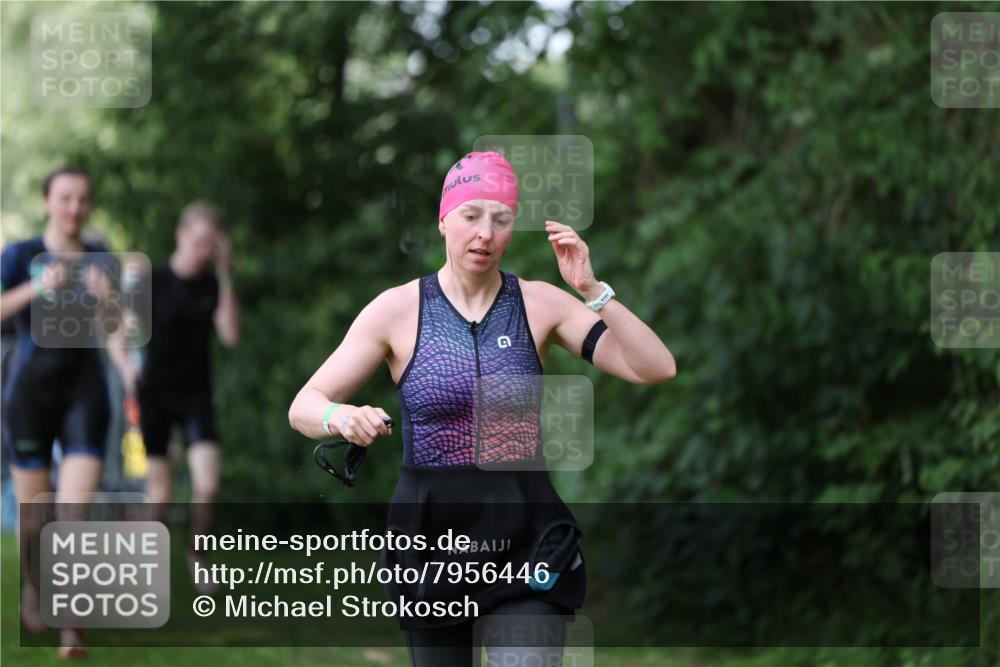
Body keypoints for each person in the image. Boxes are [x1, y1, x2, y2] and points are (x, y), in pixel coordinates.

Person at [289, 151, 676, 665]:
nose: (485, 234)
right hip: (431, 544)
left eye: (501, 219)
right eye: (471, 215)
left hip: (525, 536)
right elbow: (304, 405)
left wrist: (591, 290)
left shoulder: (540, 304)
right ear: (443, 219)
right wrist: (341, 417)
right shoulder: (397, 310)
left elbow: (655, 367)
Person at [1, 166, 124, 659]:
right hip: (28, 395)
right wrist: (37, 287)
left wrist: (107, 298)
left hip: (84, 394)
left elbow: (119, 327)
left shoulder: (102, 260)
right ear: (48, 201)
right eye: (65, 198)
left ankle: (71, 624)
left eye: (83, 199)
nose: (75, 208)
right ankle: (35, 587)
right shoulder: (20, 255)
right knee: (34, 521)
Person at [115, 201, 240, 588]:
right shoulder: (151, 280)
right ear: (181, 235)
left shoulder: (213, 285)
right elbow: (118, 338)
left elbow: (230, 336)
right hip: (153, 395)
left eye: (211, 245)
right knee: (161, 497)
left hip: (196, 396)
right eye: (199, 242)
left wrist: (225, 274)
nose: (204, 251)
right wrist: (127, 373)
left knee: (208, 486)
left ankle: (196, 554)